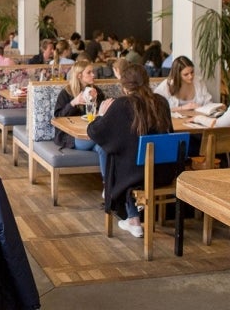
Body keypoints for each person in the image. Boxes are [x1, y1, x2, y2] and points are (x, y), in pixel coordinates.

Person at [87, 64, 175, 238]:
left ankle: (132, 217)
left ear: (124, 85)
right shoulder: (161, 102)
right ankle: (134, 218)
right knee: (130, 155)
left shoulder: (121, 105)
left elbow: (95, 133)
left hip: (135, 177)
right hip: (165, 173)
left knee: (119, 158)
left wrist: (101, 115)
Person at [54, 61, 107, 178]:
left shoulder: (96, 91)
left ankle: (107, 187)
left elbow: (102, 116)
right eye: (89, 72)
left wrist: (96, 102)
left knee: (104, 148)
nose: (93, 75)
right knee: (106, 139)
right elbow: (58, 117)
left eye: (93, 72)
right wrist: (73, 103)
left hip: (91, 134)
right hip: (73, 137)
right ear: (79, 76)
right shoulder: (66, 93)